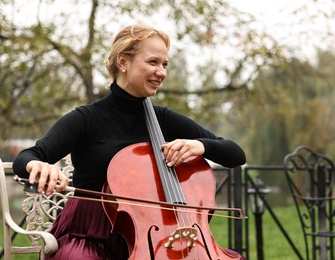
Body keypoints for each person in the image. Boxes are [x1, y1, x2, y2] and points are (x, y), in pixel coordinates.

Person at [13, 24, 246, 259]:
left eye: (165, 65)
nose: (162, 72)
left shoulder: (162, 118)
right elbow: (27, 157)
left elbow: (235, 154)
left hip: (152, 234)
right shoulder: (86, 118)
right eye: (153, 62)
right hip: (88, 234)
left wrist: (202, 145)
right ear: (123, 62)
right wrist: (37, 165)